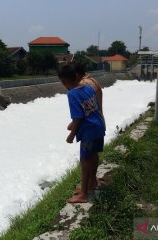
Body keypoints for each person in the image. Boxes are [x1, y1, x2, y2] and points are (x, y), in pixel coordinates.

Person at [58, 64, 106, 203]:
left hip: (88, 131)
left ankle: (83, 194)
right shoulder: (89, 87)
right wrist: (72, 124)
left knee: (85, 161)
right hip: (99, 126)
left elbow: (79, 117)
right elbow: (90, 109)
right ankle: (92, 182)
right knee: (93, 155)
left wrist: (72, 134)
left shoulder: (72, 94)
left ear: (64, 81)